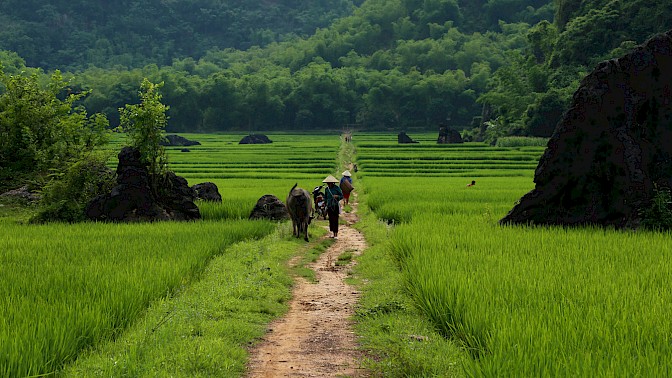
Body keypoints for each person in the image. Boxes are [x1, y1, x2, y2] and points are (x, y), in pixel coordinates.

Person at [323, 175, 343, 239]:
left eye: (330, 183)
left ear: (333, 182)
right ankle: (332, 233)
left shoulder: (337, 188)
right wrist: (325, 203)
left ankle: (336, 234)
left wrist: (337, 196)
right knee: (331, 220)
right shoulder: (326, 189)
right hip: (329, 206)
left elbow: (341, 196)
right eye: (328, 183)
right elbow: (325, 197)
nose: (329, 184)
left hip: (335, 206)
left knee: (335, 219)